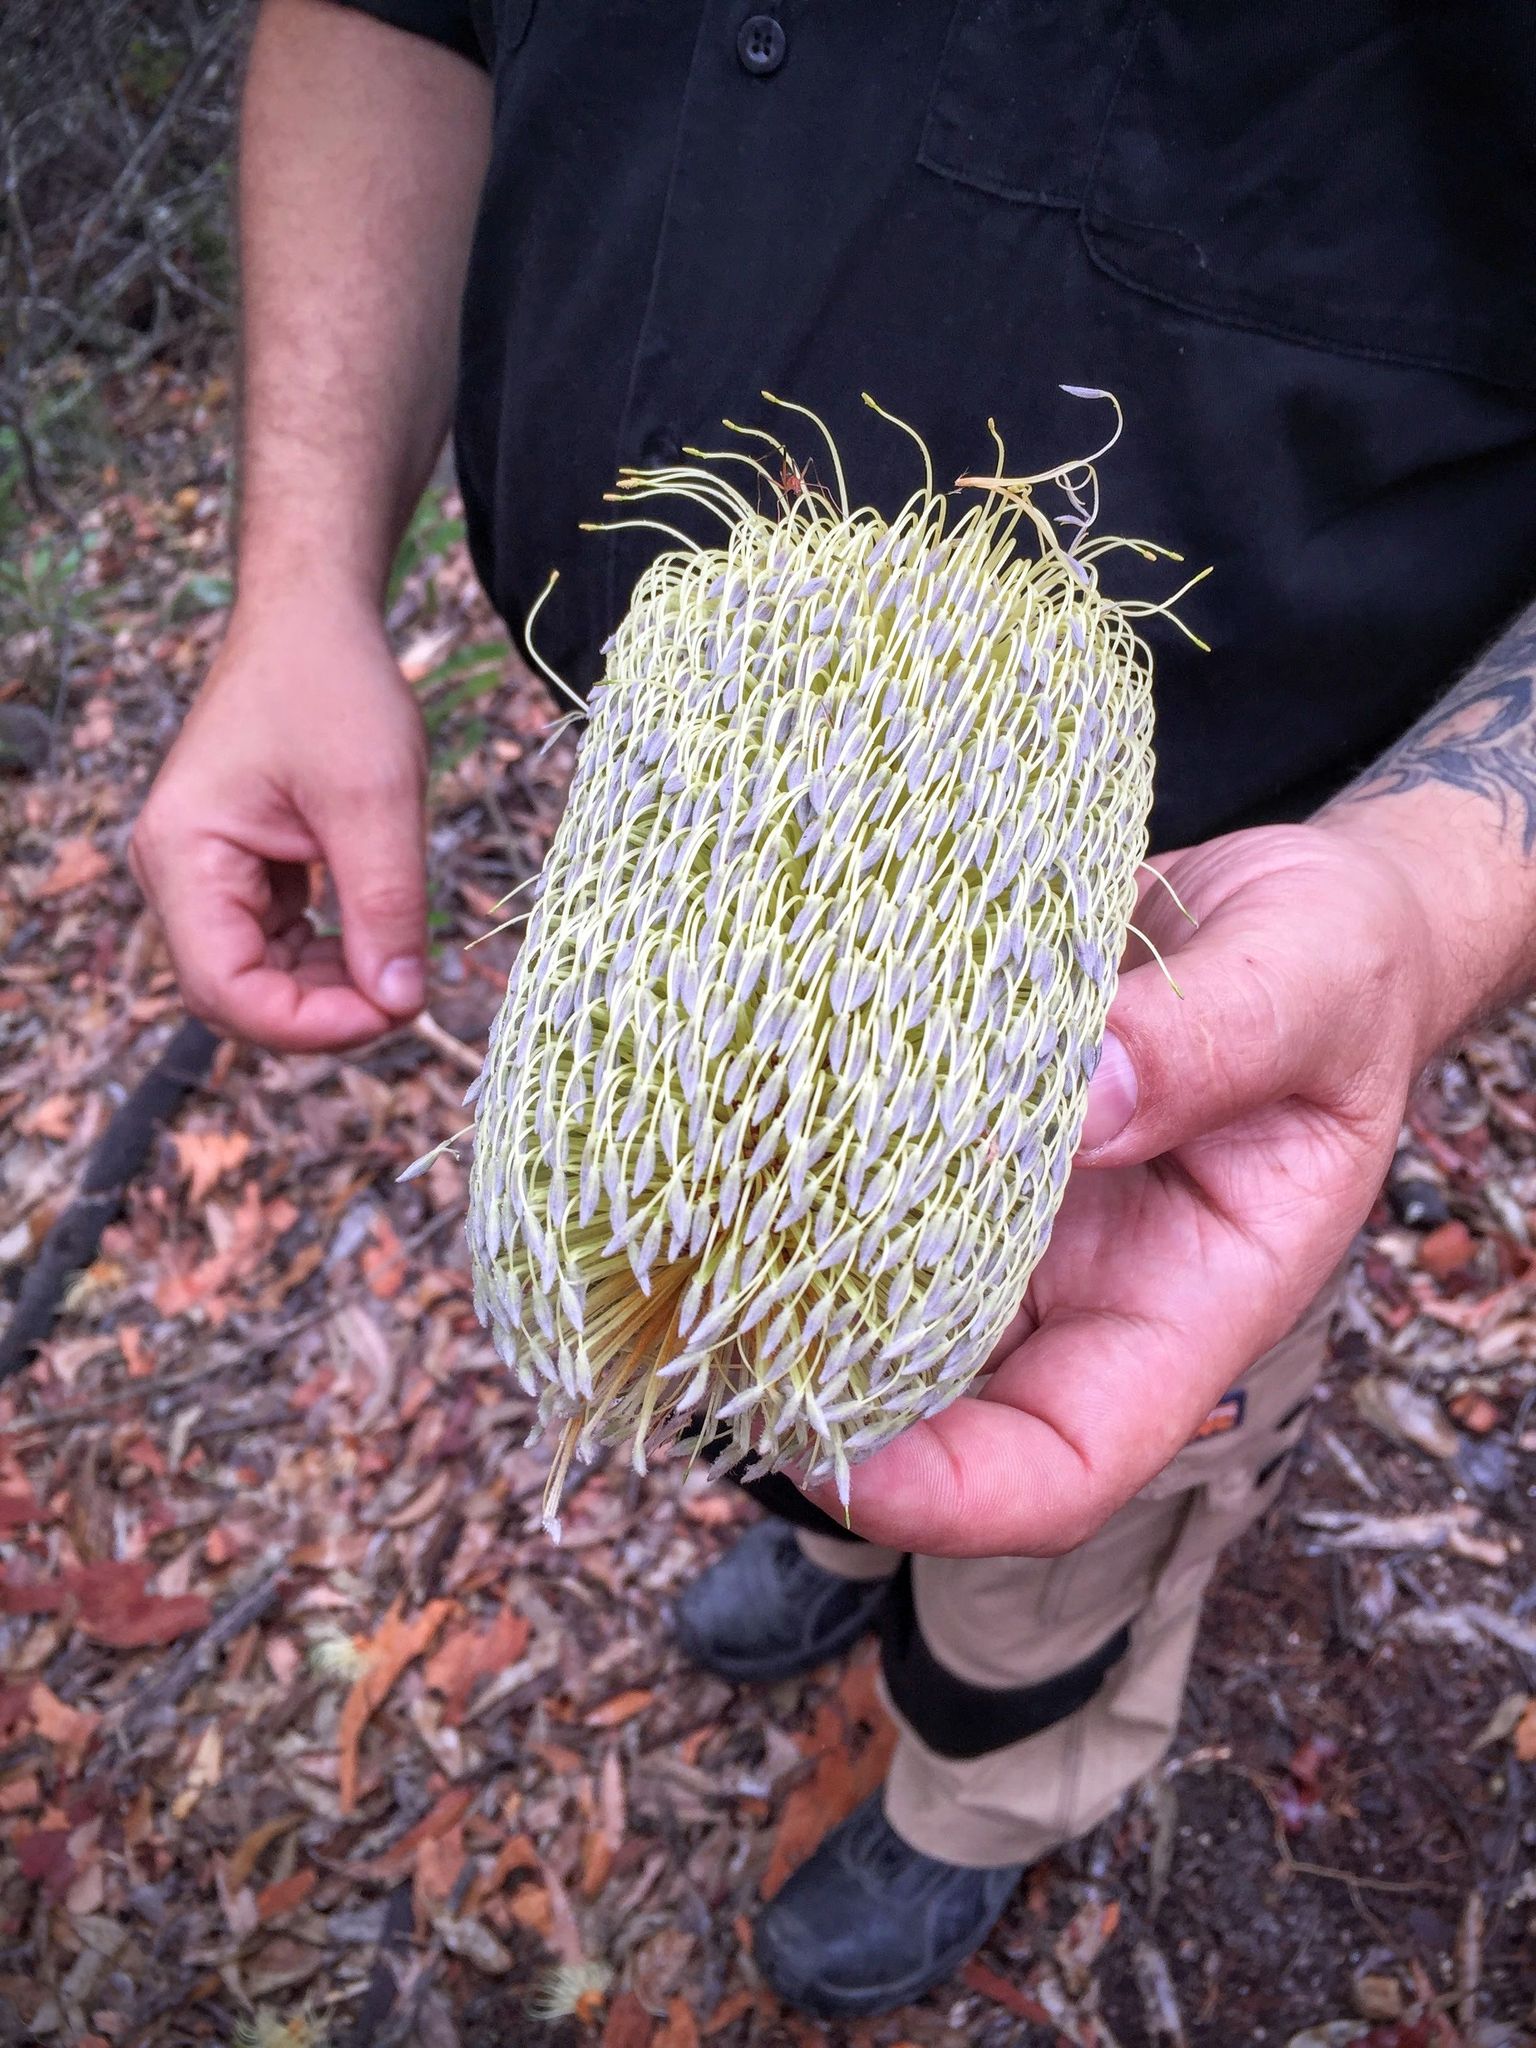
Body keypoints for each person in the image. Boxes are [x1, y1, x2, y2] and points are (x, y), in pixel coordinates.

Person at [130, 0, 1536, 2020]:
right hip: (692, 847)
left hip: (1201, 964)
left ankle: (993, 1780)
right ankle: (832, 1521)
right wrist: (299, 572)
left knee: (1071, 1470)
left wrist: (1424, 897)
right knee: (734, 1283)